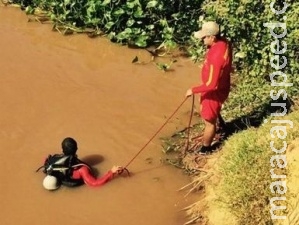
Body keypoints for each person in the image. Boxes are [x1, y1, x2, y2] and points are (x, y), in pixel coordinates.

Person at [185, 21, 233, 155]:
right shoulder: (225, 43)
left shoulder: (215, 57)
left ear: (212, 37)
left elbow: (212, 85)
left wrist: (192, 90)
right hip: (223, 84)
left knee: (208, 121)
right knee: (213, 111)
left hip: (213, 92)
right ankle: (223, 125)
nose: (202, 40)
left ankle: (205, 149)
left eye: (204, 37)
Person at [40, 137, 123, 190]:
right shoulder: (82, 169)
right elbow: (95, 184)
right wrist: (111, 172)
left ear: (62, 150)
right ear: (77, 149)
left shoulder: (52, 160)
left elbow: (45, 162)